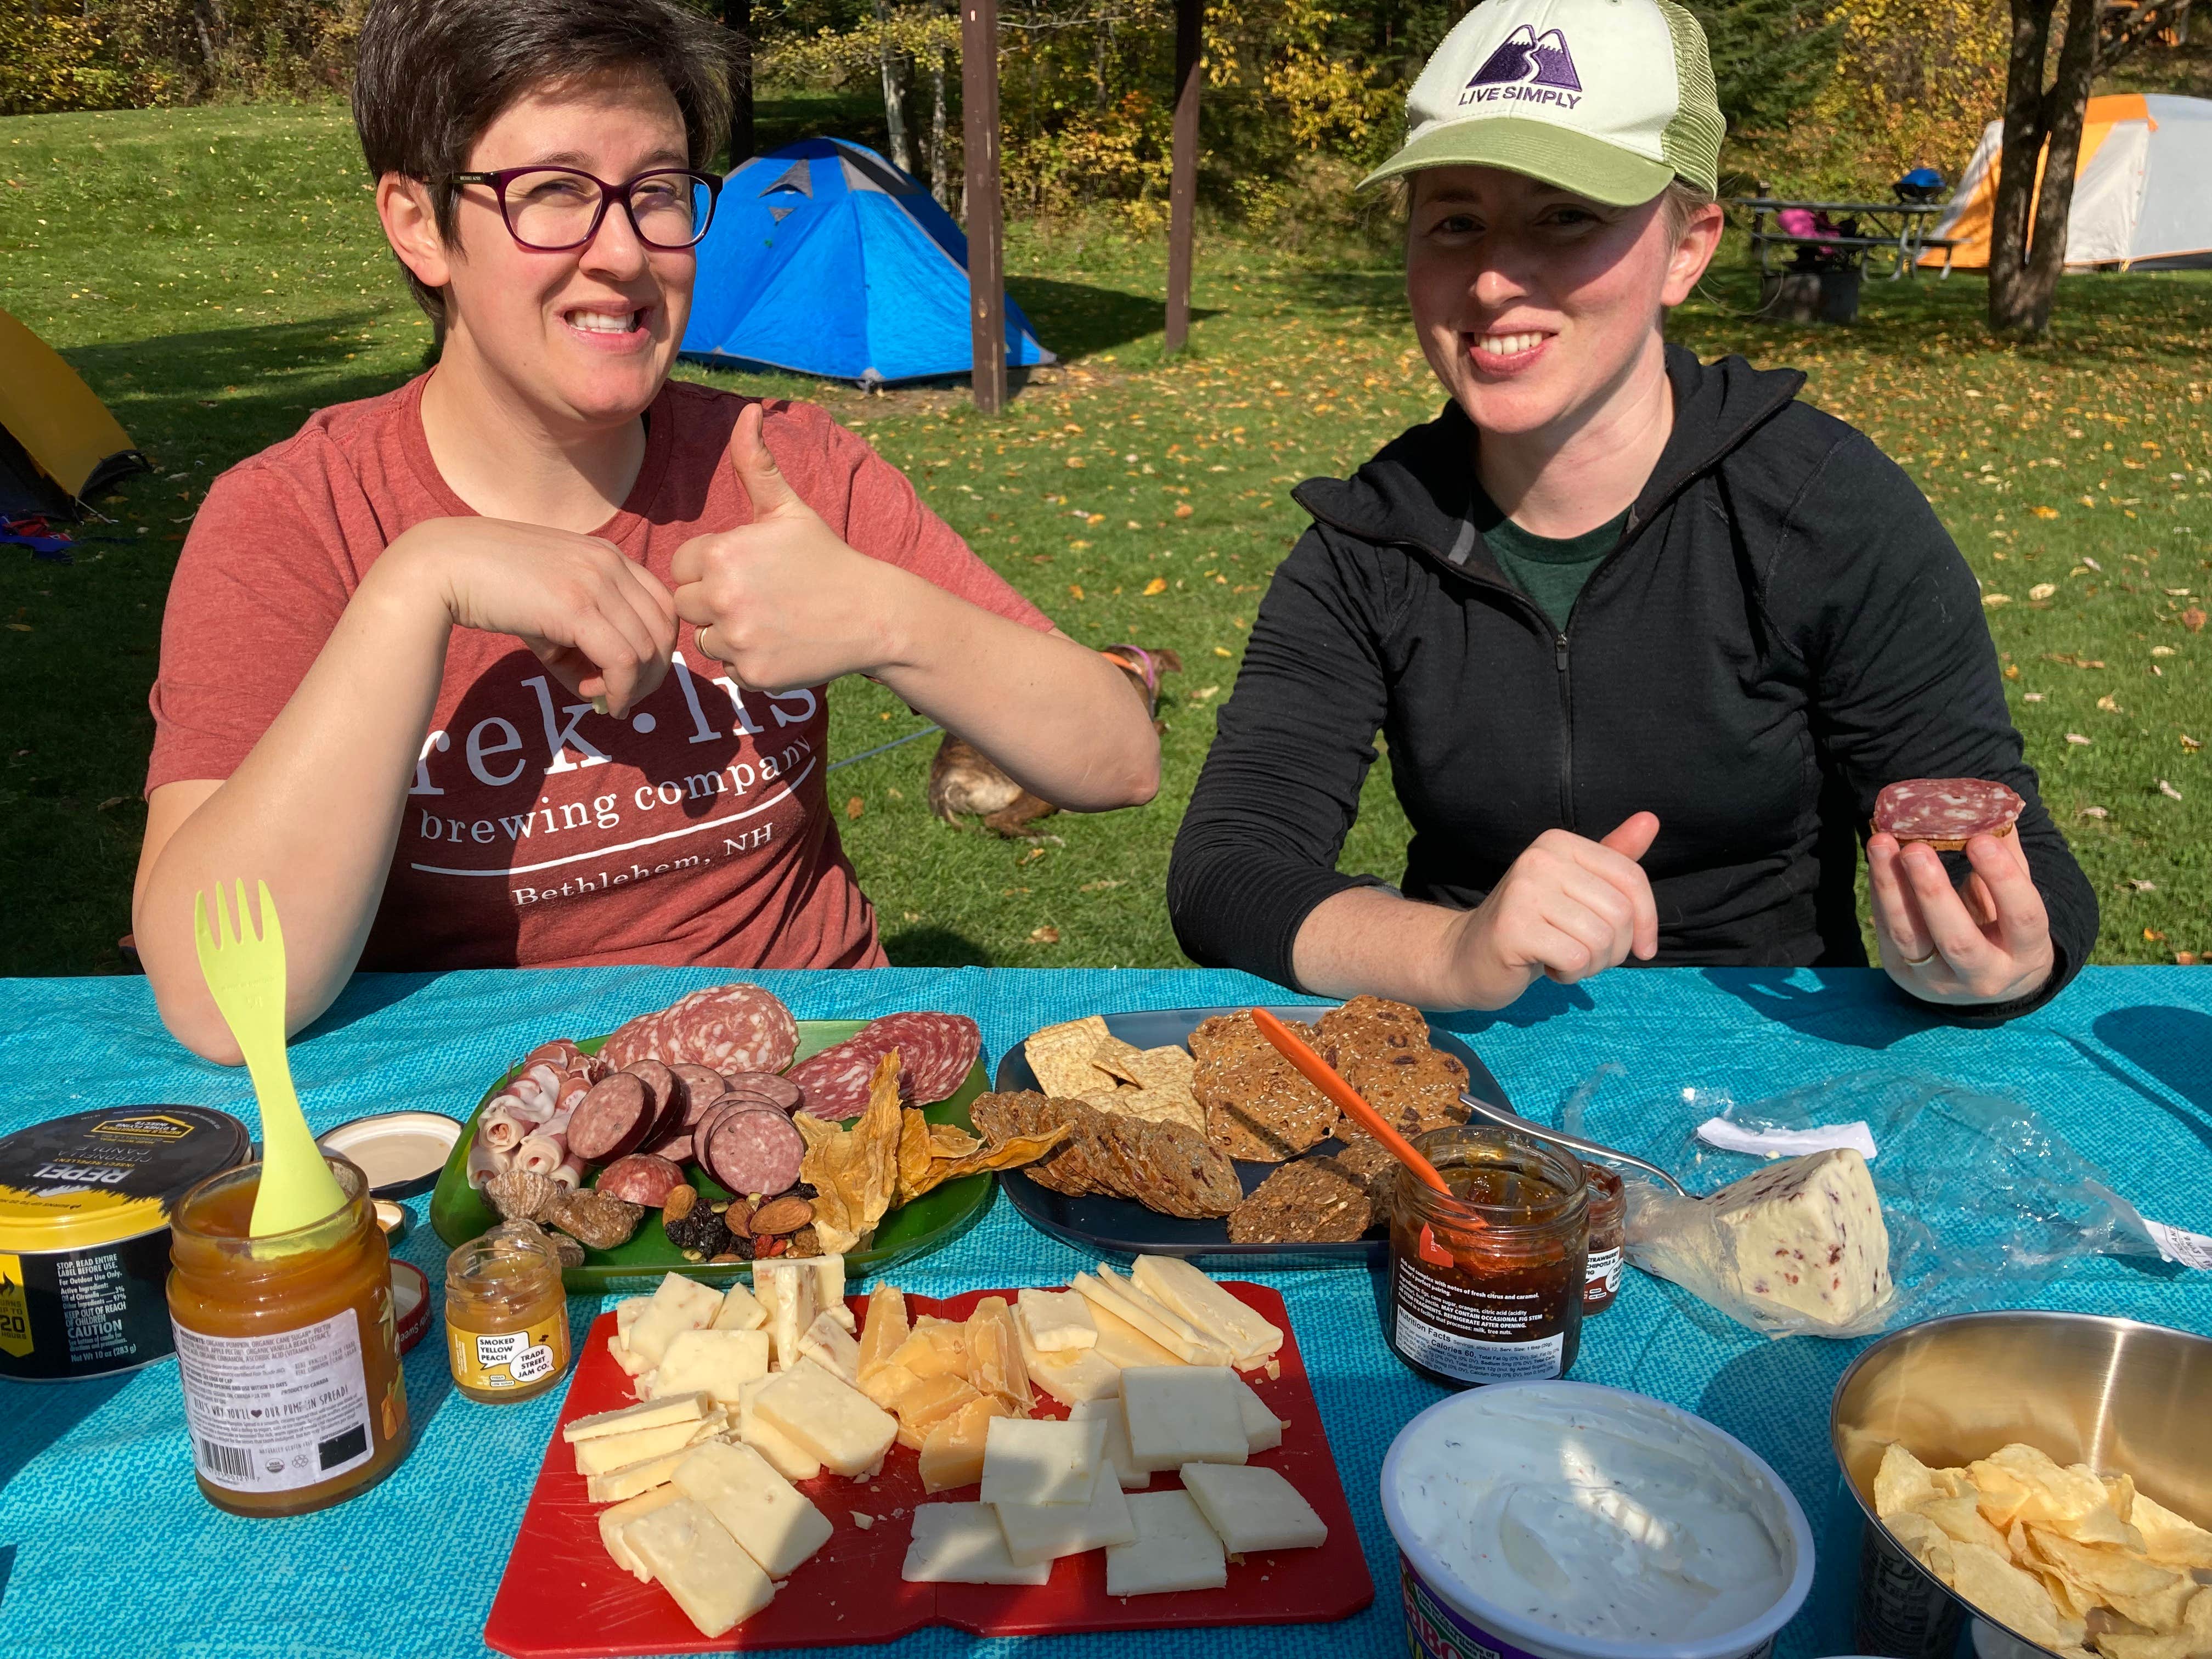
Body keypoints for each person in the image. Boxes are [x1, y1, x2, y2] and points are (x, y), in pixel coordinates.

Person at [134, 0, 1159, 1063]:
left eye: (659, 194)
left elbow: (1118, 758)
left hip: (814, 1091)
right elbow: (218, 1005)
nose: (624, 253)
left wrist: (888, 616)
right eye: (553, 194)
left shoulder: (781, 468)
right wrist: (414, 587)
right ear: (416, 222)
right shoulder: (297, 516)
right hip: (482, 1130)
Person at [1169, 0, 2095, 1020]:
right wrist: (1454, 951)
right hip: (1469, 1072)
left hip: (1776, 1047)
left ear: (1689, 248)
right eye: (1455, 220)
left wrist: (1998, 954)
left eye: (1566, 215)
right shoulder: (1373, 538)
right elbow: (1228, 867)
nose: (1491, 279)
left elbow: (2006, 840)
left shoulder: (1823, 506)